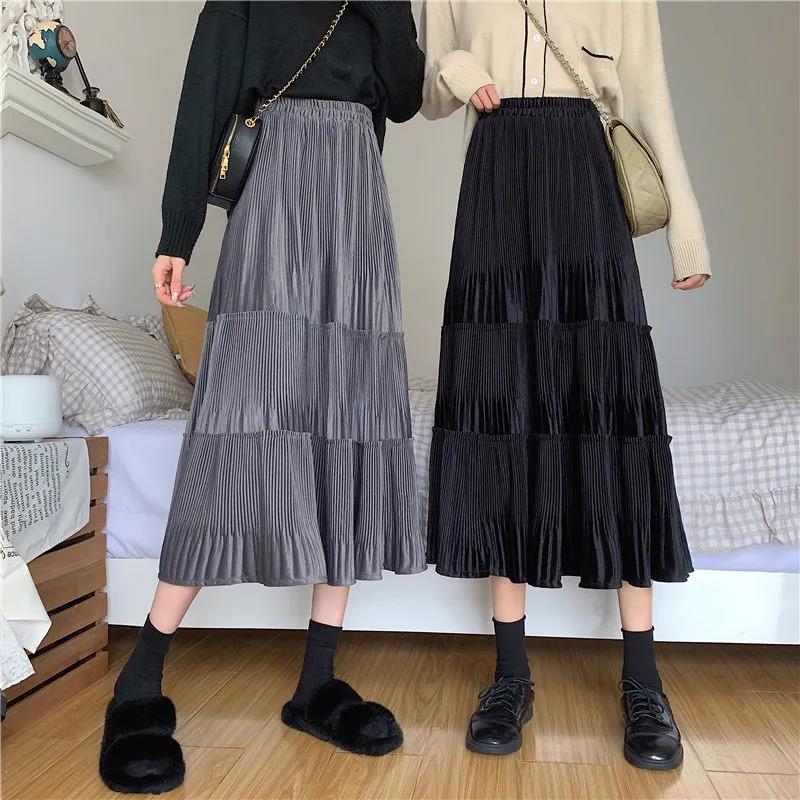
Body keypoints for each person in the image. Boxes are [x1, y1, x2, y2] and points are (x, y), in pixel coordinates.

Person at [99, 2, 425, 793]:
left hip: (357, 198)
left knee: (347, 414)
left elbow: (406, 97)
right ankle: (140, 679)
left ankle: (317, 681)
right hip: (275, 190)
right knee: (240, 411)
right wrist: (177, 233)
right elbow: (204, 97)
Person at [421, 0, 709, 770]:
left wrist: (685, 228)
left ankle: (643, 681)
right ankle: (511, 675)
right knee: (502, 410)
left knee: (611, 412)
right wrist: (459, 68)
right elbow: (429, 91)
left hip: (586, 177)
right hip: (496, 175)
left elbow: (648, 96)